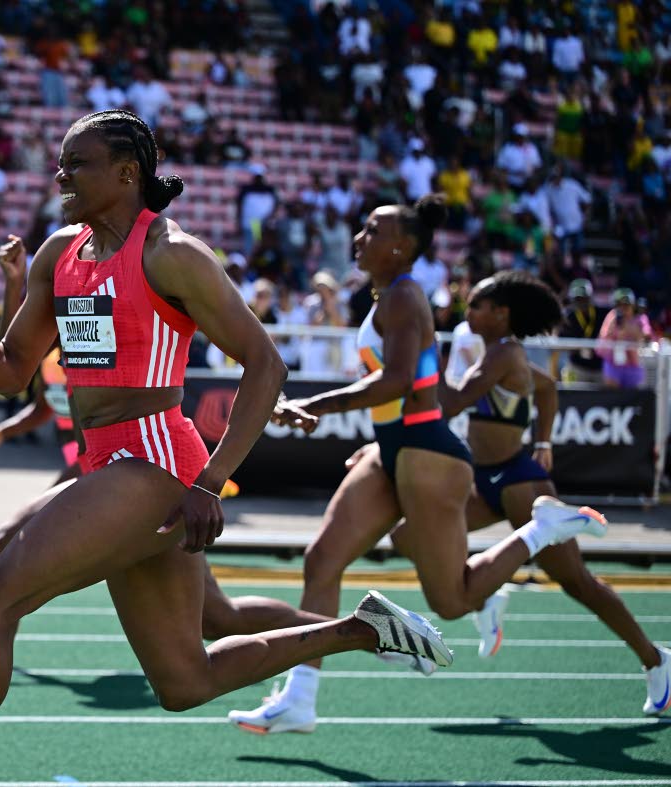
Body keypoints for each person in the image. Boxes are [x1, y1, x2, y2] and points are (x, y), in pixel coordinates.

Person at [0, 111, 453, 783]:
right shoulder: (58, 253)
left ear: (128, 174)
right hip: (105, 462)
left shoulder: (171, 253)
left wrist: (210, 481)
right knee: (184, 680)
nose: (61, 175)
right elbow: (13, 368)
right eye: (62, 163)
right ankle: (361, 629)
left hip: (157, 462)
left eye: (79, 164)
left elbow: (266, 364)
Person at [227, 196, 607, 736]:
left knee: (452, 601)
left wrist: (318, 404)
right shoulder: (389, 298)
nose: (359, 237)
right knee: (321, 562)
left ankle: (538, 531)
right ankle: (300, 699)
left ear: (401, 247)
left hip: (428, 454)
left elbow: (398, 382)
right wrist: (375, 442)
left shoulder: (404, 297)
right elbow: (407, 389)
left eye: (372, 230)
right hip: (395, 449)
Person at [413, 272, 668, 713]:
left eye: (475, 305)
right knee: (411, 534)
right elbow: (547, 388)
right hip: (486, 479)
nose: (467, 312)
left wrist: (423, 351)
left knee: (577, 584)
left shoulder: (504, 352)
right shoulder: (498, 353)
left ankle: (655, 658)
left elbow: (452, 402)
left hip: (519, 483)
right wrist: (545, 441)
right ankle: (488, 591)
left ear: (501, 313)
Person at [597, 287, 654, 389]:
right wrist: (613, 329)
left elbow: (648, 337)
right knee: (612, 396)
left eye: (626, 304)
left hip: (634, 366)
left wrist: (632, 330)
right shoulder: (612, 317)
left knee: (634, 397)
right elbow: (601, 344)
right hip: (613, 366)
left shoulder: (640, 318)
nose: (623, 308)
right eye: (620, 305)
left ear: (633, 305)